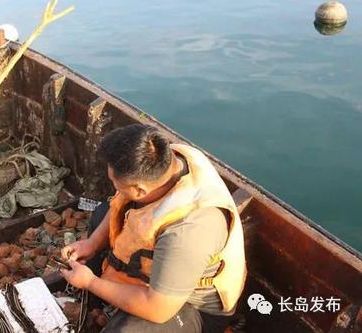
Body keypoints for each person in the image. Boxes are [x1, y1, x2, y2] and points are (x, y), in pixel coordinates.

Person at [61, 124, 247, 332]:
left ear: (140, 190)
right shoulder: (168, 160)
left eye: (116, 183)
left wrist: (91, 283)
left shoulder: (187, 233)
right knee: (103, 211)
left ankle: (107, 312)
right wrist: (92, 243)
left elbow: (158, 309)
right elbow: (119, 202)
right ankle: (97, 309)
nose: (114, 188)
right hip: (155, 273)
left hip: (188, 307)